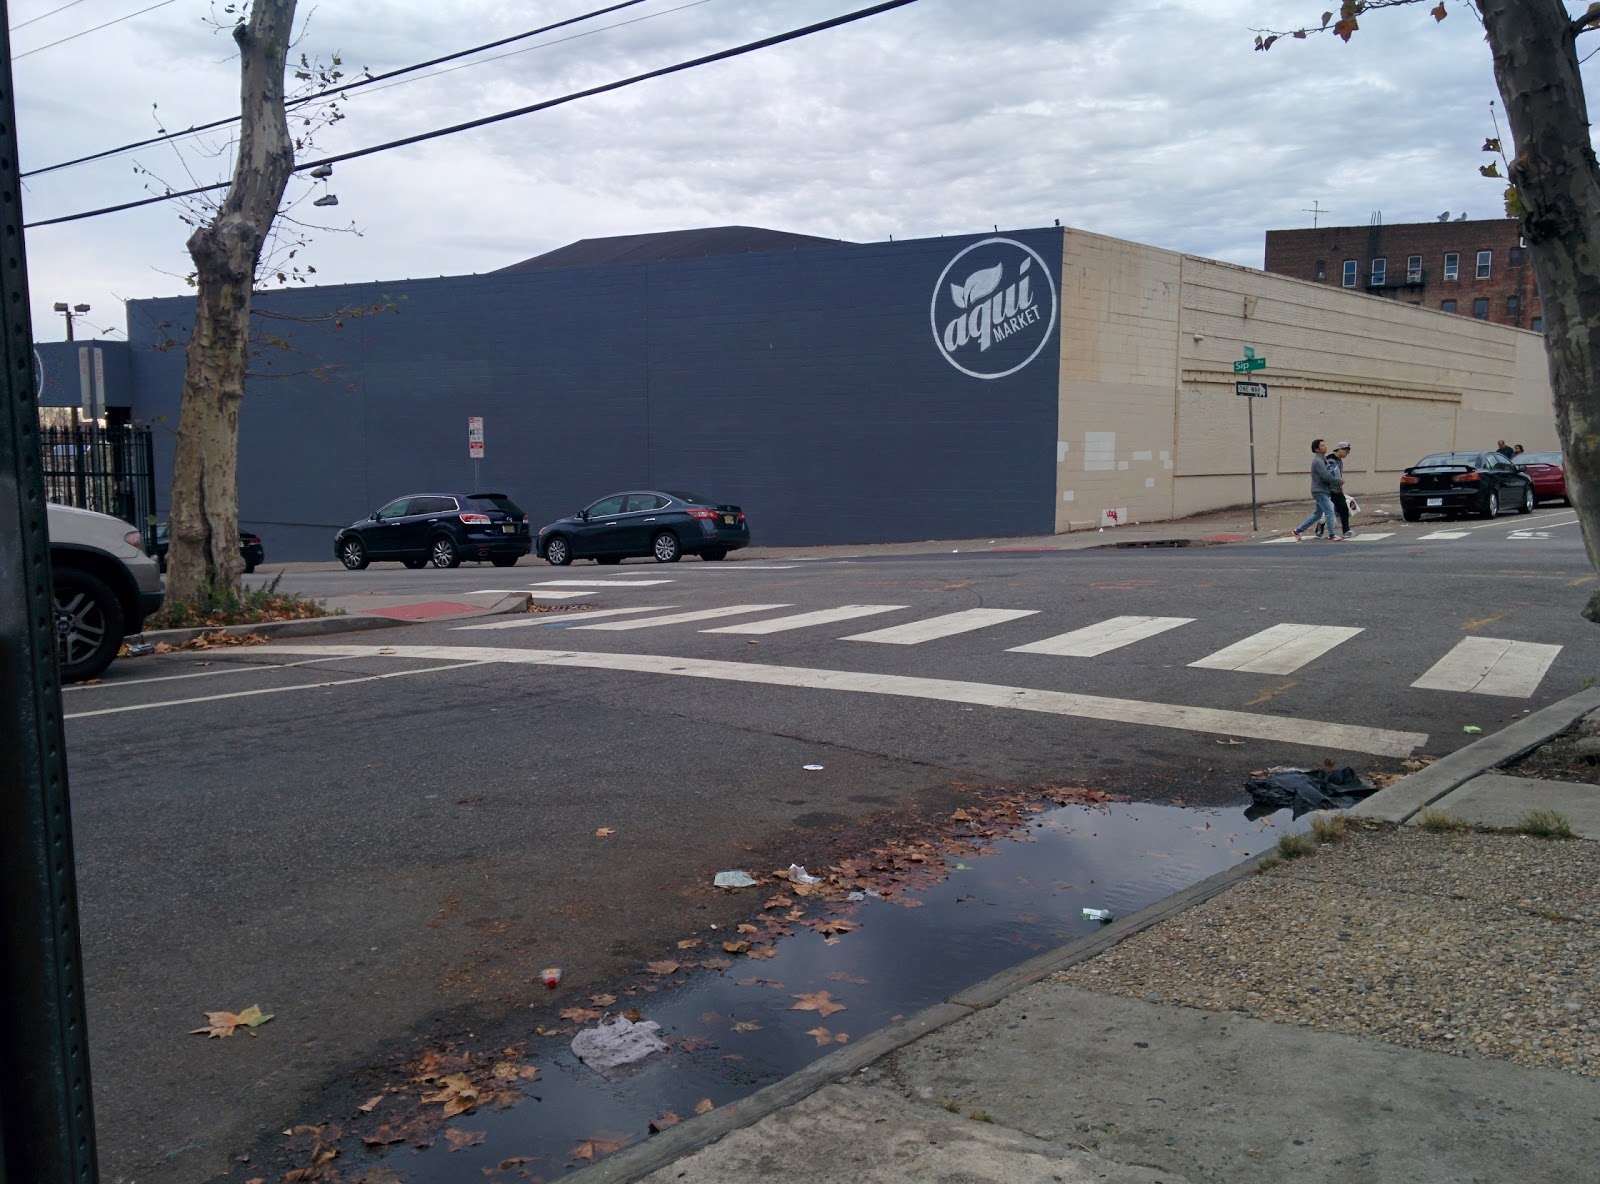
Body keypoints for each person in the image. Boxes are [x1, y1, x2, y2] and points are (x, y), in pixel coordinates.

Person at [1293, 439, 1342, 541]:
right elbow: (1325, 475)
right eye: (1322, 446)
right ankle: (1332, 535)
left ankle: (1298, 530)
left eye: (1325, 445)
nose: (1325, 447)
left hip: (1321, 490)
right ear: (1317, 449)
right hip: (1319, 491)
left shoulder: (1322, 459)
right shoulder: (1318, 461)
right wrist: (1337, 481)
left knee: (1317, 514)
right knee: (1329, 511)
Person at [1316, 441, 1354, 537]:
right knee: (1328, 511)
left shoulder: (1339, 461)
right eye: (1345, 451)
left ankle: (1346, 530)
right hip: (1329, 490)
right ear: (1340, 450)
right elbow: (1329, 475)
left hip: (1337, 489)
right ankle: (1320, 528)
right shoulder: (1330, 460)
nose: (1346, 453)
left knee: (1343, 509)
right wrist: (1338, 481)